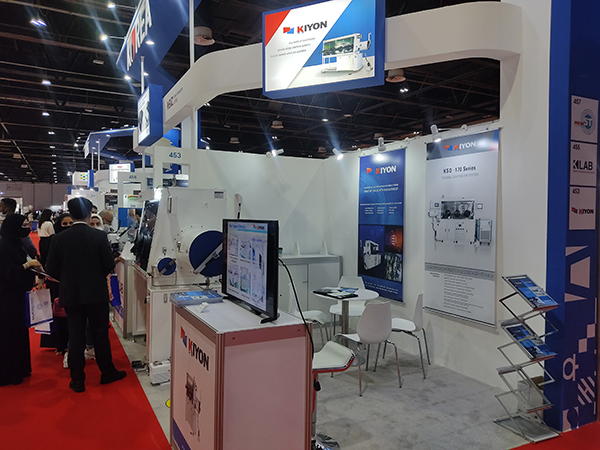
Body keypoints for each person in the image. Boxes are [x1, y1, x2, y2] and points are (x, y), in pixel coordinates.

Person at [46, 197, 126, 393]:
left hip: (71, 294)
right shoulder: (98, 236)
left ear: (70, 214)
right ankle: (107, 372)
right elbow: (108, 264)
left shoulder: (58, 238)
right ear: (90, 213)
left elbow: (51, 268)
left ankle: (77, 380)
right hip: (96, 293)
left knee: (75, 336)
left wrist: (67, 279)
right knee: (100, 334)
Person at [0, 214, 42, 386]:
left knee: (17, 332)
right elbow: (8, 273)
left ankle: (19, 368)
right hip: (6, 299)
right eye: (23, 225)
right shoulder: (3, 246)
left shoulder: (14, 243)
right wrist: (27, 265)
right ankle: (8, 373)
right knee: (8, 334)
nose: (27, 228)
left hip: (15, 297)